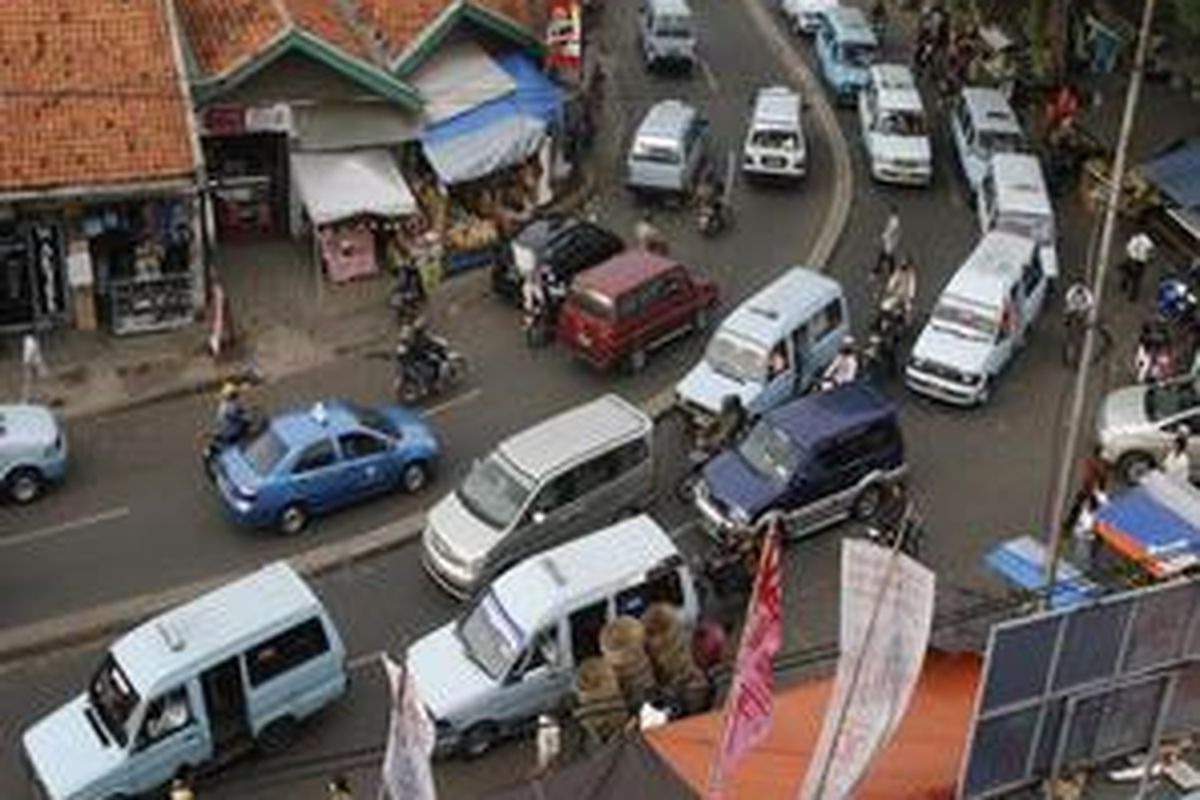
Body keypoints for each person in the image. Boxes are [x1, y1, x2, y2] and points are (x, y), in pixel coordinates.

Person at [1120, 231, 1155, 302]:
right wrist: (1149, 259)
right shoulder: (1150, 244)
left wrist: (1131, 255)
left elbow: (1129, 247)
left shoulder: (1136, 238)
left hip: (1133, 259)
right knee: (1137, 280)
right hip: (1141, 262)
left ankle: (1124, 285)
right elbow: (1151, 255)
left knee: (1128, 273)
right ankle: (1133, 296)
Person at [883, 256, 918, 325]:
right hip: (897, 294)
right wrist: (889, 288)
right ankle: (885, 320)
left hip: (906, 296)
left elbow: (912, 285)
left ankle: (905, 323)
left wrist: (910, 297)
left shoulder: (910, 273)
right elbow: (893, 280)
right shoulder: (898, 271)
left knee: (908, 308)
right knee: (885, 305)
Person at [876, 206, 901, 277]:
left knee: (886, 255)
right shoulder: (893, 219)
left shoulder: (894, 221)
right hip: (889, 241)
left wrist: (885, 235)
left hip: (890, 241)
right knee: (887, 255)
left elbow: (892, 231)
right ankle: (889, 269)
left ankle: (883, 269)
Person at [21, 332, 46, 402]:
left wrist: (28, 361)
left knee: (32, 380)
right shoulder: (31, 341)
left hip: (33, 362)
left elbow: (33, 352)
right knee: (30, 380)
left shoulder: (32, 341)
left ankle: (33, 396)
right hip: (33, 362)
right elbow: (31, 352)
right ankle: (29, 396)